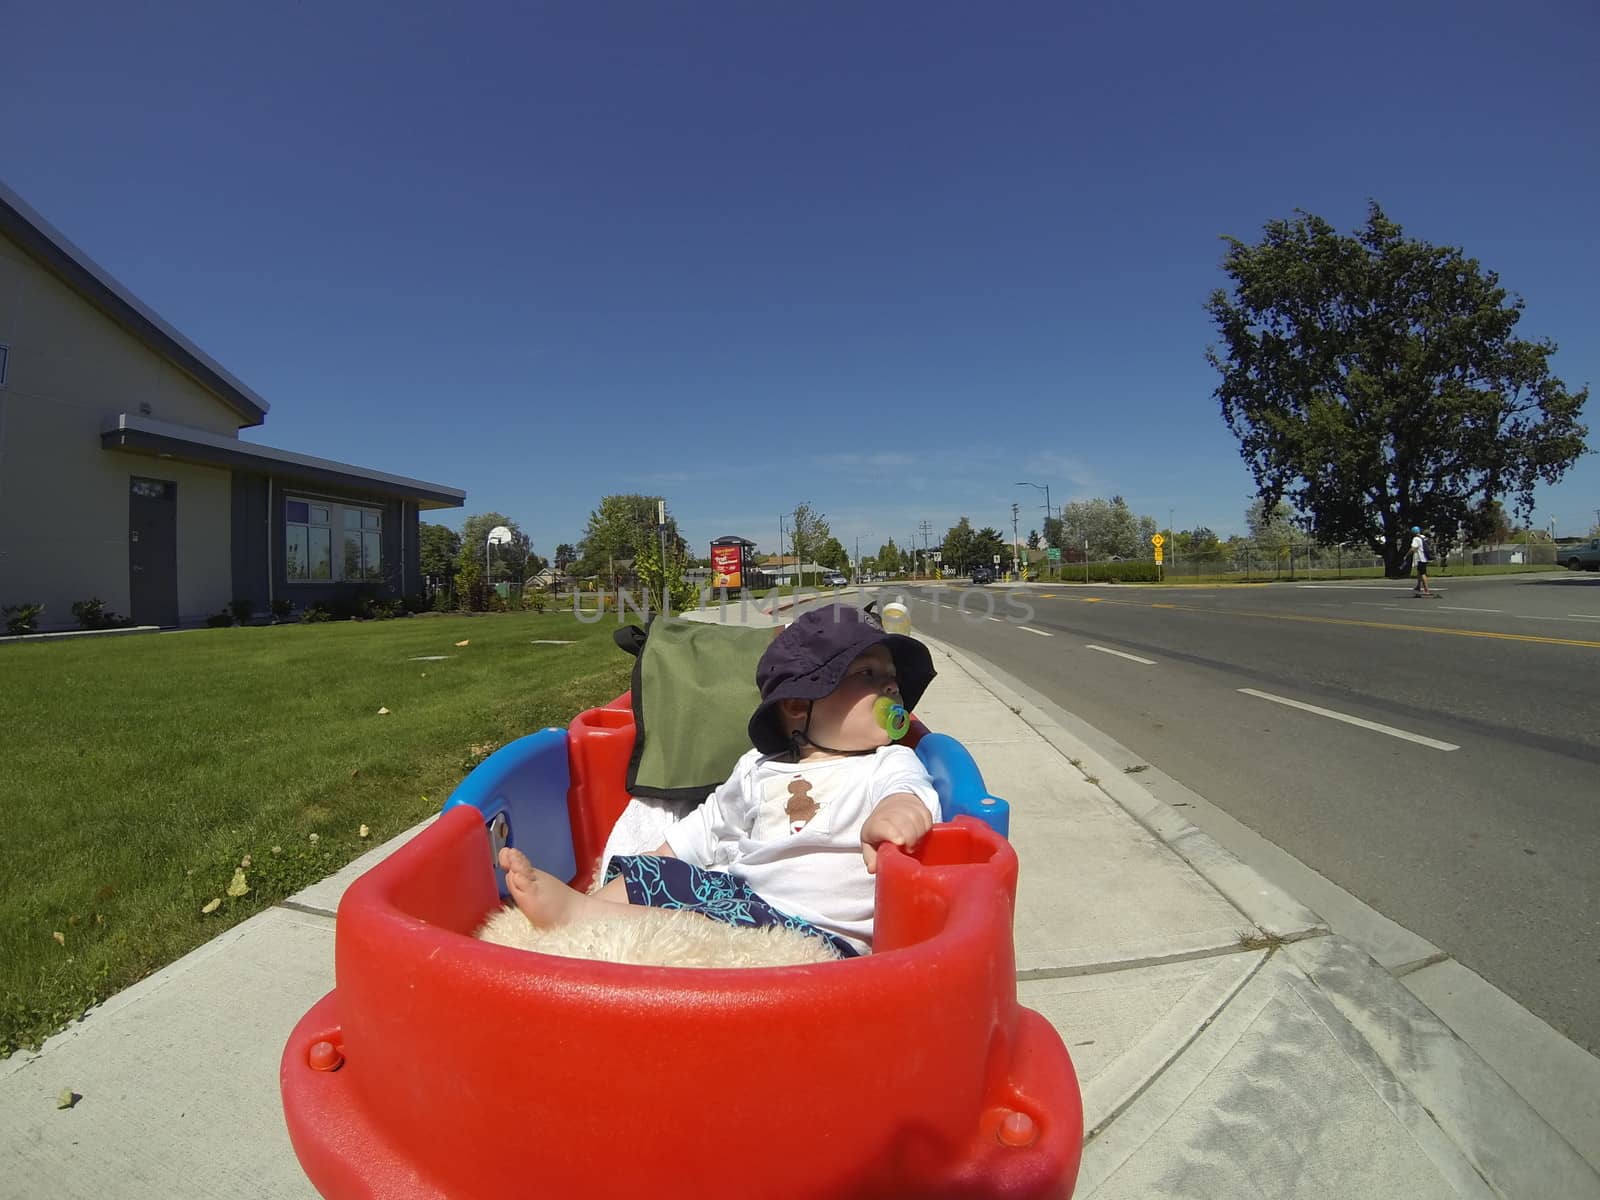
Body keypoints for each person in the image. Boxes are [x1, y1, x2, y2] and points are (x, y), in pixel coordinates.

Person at [498, 605, 940, 958]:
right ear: (796, 705)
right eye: (868, 675)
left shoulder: (887, 762)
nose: (890, 689)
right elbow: (707, 827)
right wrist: (658, 862)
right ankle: (590, 909)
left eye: (892, 679)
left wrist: (898, 810)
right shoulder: (757, 768)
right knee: (655, 875)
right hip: (744, 899)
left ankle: (582, 914)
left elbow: (910, 790)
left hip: (816, 936)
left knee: (699, 926)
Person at [1408, 525, 1437, 597]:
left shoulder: (1415, 539)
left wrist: (1407, 555)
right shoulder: (1423, 537)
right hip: (1425, 558)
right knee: (1419, 572)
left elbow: (1413, 548)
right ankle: (1418, 586)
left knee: (1423, 574)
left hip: (1421, 558)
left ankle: (1426, 590)